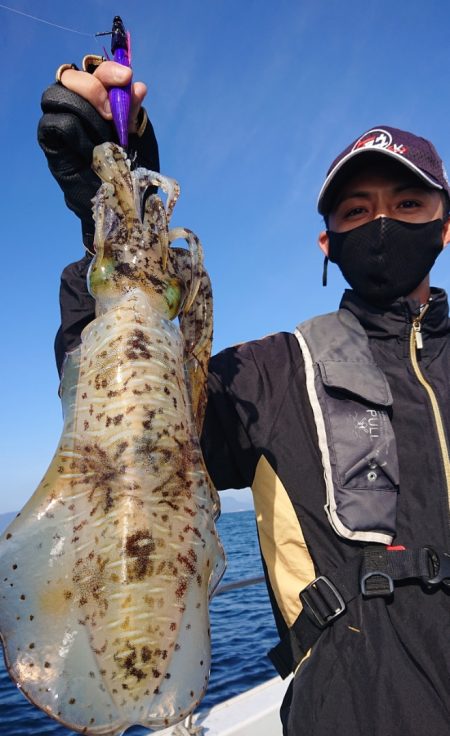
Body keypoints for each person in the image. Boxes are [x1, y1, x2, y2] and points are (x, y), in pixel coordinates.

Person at [38, 61, 450, 735]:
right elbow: (129, 422)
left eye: (407, 204)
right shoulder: (270, 376)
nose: (381, 222)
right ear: (327, 241)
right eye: (356, 209)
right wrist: (110, 229)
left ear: (444, 224)